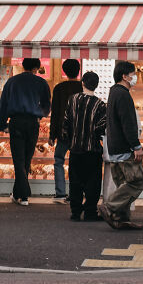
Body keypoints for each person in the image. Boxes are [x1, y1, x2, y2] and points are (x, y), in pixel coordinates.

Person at [0, 57, 51, 206]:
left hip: (16, 122)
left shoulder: (12, 82)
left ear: (23, 66)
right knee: (27, 158)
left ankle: (21, 194)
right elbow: (47, 104)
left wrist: (3, 124)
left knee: (18, 159)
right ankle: (23, 195)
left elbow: (3, 104)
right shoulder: (41, 82)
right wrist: (40, 113)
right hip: (33, 123)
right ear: (36, 68)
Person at [103, 59, 143, 231]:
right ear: (124, 76)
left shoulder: (113, 92)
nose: (135, 77)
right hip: (124, 148)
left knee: (122, 184)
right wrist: (136, 146)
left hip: (114, 146)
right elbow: (128, 123)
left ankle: (121, 219)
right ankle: (110, 206)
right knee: (136, 181)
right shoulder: (123, 95)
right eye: (133, 74)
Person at [62, 70, 107, 222]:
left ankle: (75, 212)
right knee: (92, 183)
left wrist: (69, 140)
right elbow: (102, 128)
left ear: (82, 83)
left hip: (75, 149)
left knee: (75, 182)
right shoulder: (100, 105)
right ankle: (90, 212)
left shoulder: (72, 100)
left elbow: (66, 123)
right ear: (96, 86)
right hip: (92, 150)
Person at [49, 58, 83, 204]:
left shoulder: (59, 88)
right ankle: (77, 193)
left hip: (63, 131)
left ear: (64, 71)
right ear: (79, 70)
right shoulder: (83, 88)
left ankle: (60, 193)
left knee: (59, 161)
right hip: (80, 132)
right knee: (77, 162)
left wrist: (52, 135)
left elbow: (55, 113)